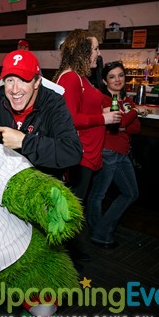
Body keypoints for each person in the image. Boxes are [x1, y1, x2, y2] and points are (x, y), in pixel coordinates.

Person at [0, 49, 82, 180]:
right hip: (4, 180)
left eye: (23, 80)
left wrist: (24, 141)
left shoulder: (53, 104)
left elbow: (72, 151)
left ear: (37, 82)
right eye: (10, 80)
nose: (15, 90)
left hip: (40, 184)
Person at [53, 29, 122, 203]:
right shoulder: (70, 78)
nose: (99, 54)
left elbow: (82, 109)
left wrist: (102, 112)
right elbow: (70, 119)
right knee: (70, 208)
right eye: (96, 49)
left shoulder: (79, 77)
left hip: (87, 152)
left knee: (76, 205)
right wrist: (103, 118)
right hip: (80, 153)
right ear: (82, 51)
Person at [86, 61, 147, 248]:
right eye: (112, 77)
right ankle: (100, 233)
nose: (117, 80)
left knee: (131, 193)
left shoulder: (126, 101)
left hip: (122, 153)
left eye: (120, 75)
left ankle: (100, 231)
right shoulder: (103, 100)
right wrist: (135, 111)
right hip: (108, 152)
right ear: (105, 81)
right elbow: (118, 123)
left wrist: (127, 118)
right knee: (98, 195)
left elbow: (134, 128)